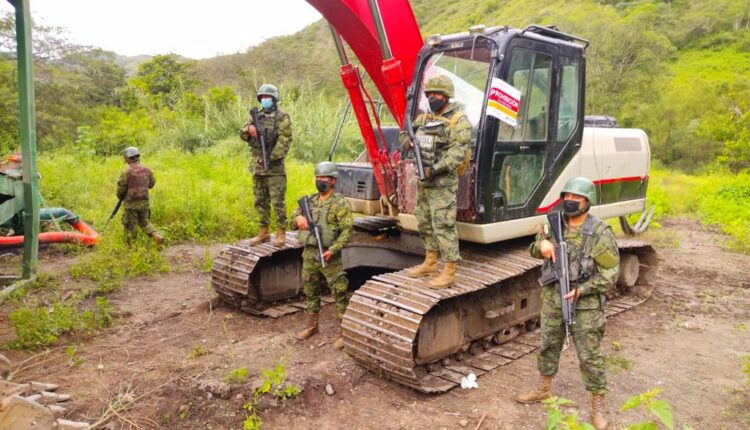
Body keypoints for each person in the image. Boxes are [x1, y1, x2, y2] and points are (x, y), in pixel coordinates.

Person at [516, 176, 620, 430]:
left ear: (588, 202)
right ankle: (543, 388)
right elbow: (532, 249)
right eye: (567, 197)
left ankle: (597, 404)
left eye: (577, 198)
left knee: (589, 355)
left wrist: (582, 290)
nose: (571, 202)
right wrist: (541, 244)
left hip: (585, 306)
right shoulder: (553, 225)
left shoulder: (599, 233)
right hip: (553, 298)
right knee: (548, 344)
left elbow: (611, 274)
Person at [400, 74, 472, 289]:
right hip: (424, 181)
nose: (432, 98)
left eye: (437, 94)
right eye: (429, 94)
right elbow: (405, 134)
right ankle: (431, 261)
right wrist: (408, 142)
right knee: (424, 221)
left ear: (447, 96)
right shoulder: (424, 119)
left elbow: (457, 155)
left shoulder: (459, 122)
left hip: (442, 183)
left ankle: (449, 271)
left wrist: (434, 169)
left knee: (444, 224)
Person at [290, 162, 353, 350]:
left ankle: (345, 332)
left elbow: (347, 232)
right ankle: (312, 325)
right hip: (309, 253)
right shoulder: (308, 201)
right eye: (317, 178)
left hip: (329, 254)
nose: (319, 181)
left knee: (339, 291)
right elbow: (291, 219)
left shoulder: (340, 203)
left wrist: (333, 250)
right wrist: (297, 219)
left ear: (333, 181)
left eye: (323, 178)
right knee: (310, 288)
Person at [240, 84, 293, 247]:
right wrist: (249, 129)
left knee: (278, 202)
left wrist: (269, 158)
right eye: (262, 98)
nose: (265, 100)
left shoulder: (282, 117)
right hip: (258, 168)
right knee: (260, 200)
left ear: (274, 100)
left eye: (267, 98)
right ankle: (263, 232)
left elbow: (284, 142)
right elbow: (242, 134)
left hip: (274, 169)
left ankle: (281, 233)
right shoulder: (256, 116)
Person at [116, 147, 164, 246]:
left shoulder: (126, 172)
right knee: (145, 222)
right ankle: (156, 236)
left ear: (128, 158)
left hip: (131, 205)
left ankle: (130, 248)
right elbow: (151, 184)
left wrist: (121, 196)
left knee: (130, 226)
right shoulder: (147, 170)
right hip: (144, 203)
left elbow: (121, 191)